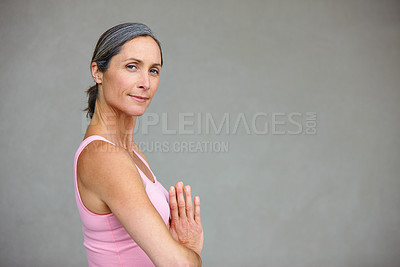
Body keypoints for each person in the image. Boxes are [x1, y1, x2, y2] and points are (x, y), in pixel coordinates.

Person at [73, 23, 203, 267]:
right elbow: (178, 264)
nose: (145, 82)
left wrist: (180, 245)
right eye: (132, 67)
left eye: (154, 70)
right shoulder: (105, 156)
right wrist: (192, 252)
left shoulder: (130, 151)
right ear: (97, 72)